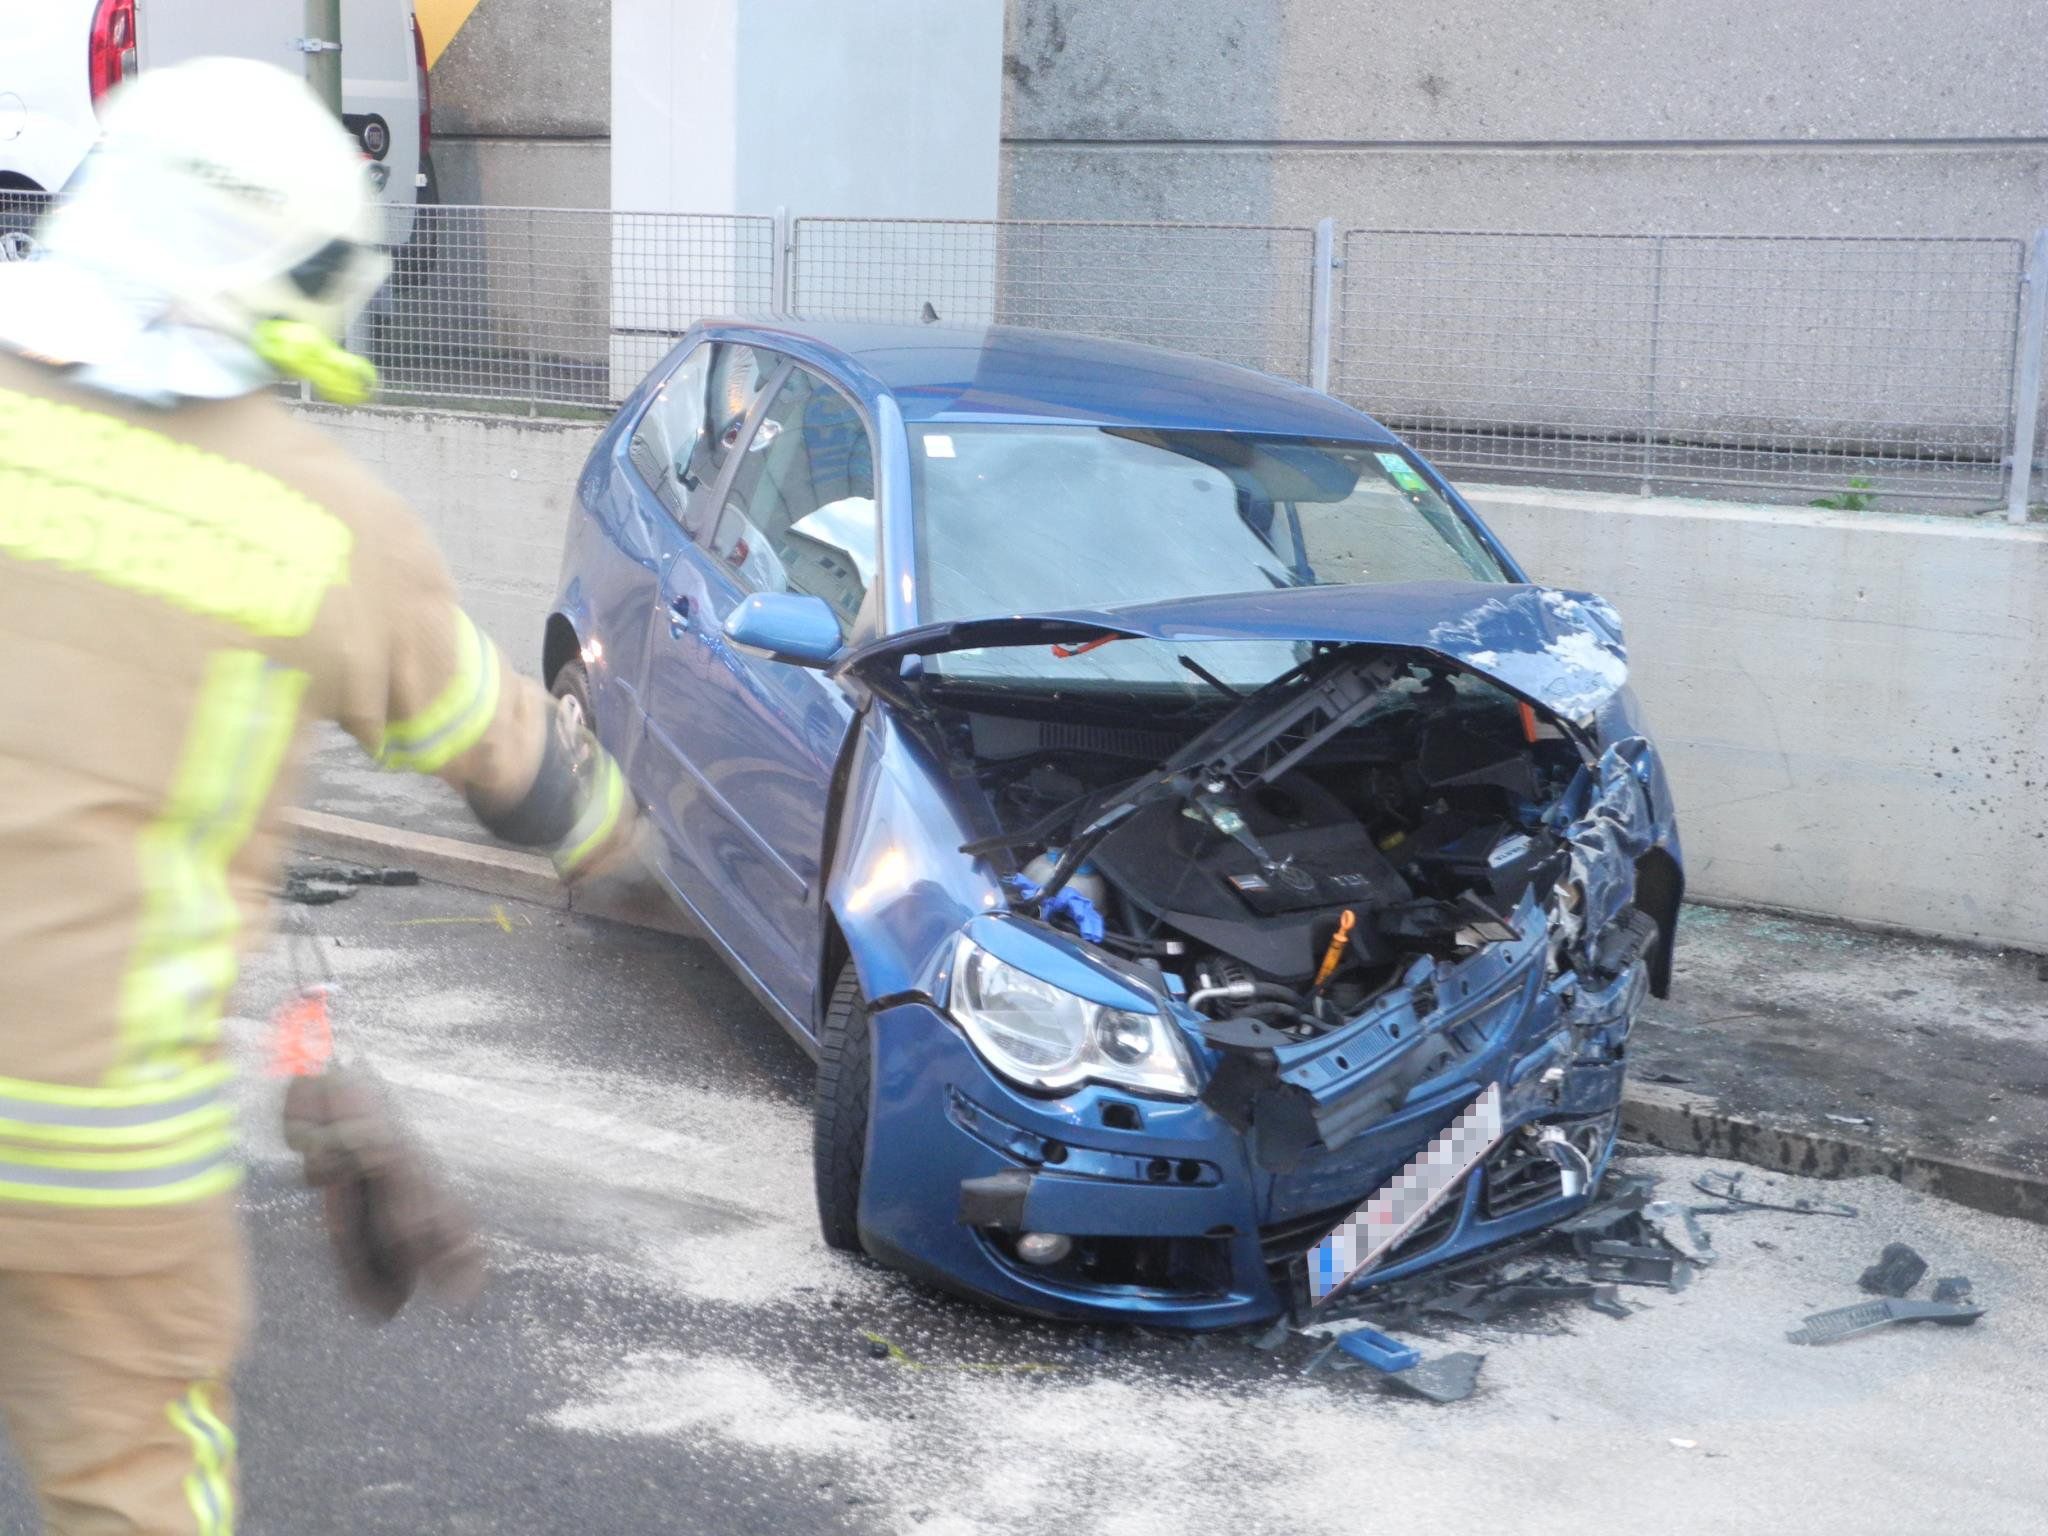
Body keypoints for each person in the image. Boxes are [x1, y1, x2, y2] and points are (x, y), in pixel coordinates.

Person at [0, 57, 636, 1536]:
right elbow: (525, 773)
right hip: (96, 1149)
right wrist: (630, 837)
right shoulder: (321, 519)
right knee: (136, 1490)